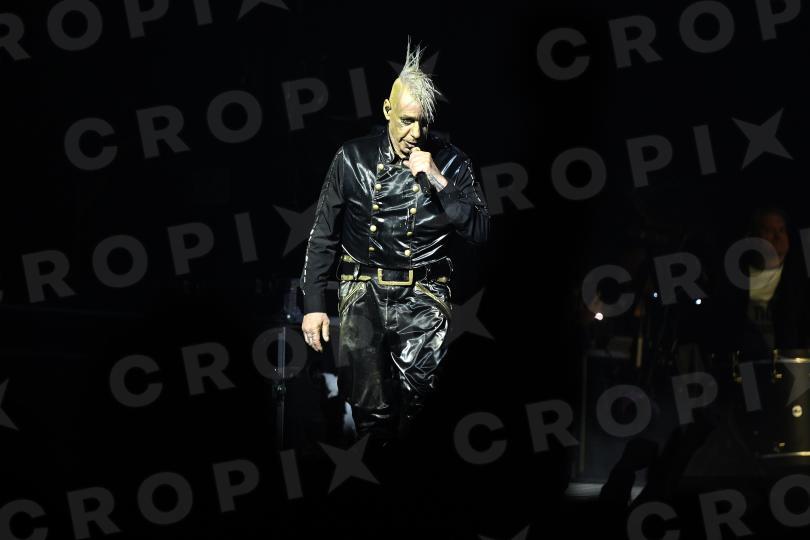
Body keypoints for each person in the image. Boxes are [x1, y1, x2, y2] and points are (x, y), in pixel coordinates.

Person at [298, 40, 490, 447]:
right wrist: (313, 304)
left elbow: (479, 231)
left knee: (424, 409)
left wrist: (438, 179)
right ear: (387, 110)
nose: (414, 134)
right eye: (406, 121)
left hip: (423, 297)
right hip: (362, 294)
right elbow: (323, 233)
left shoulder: (452, 162)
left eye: (423, 123)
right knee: (369, 412)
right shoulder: (352, 158)